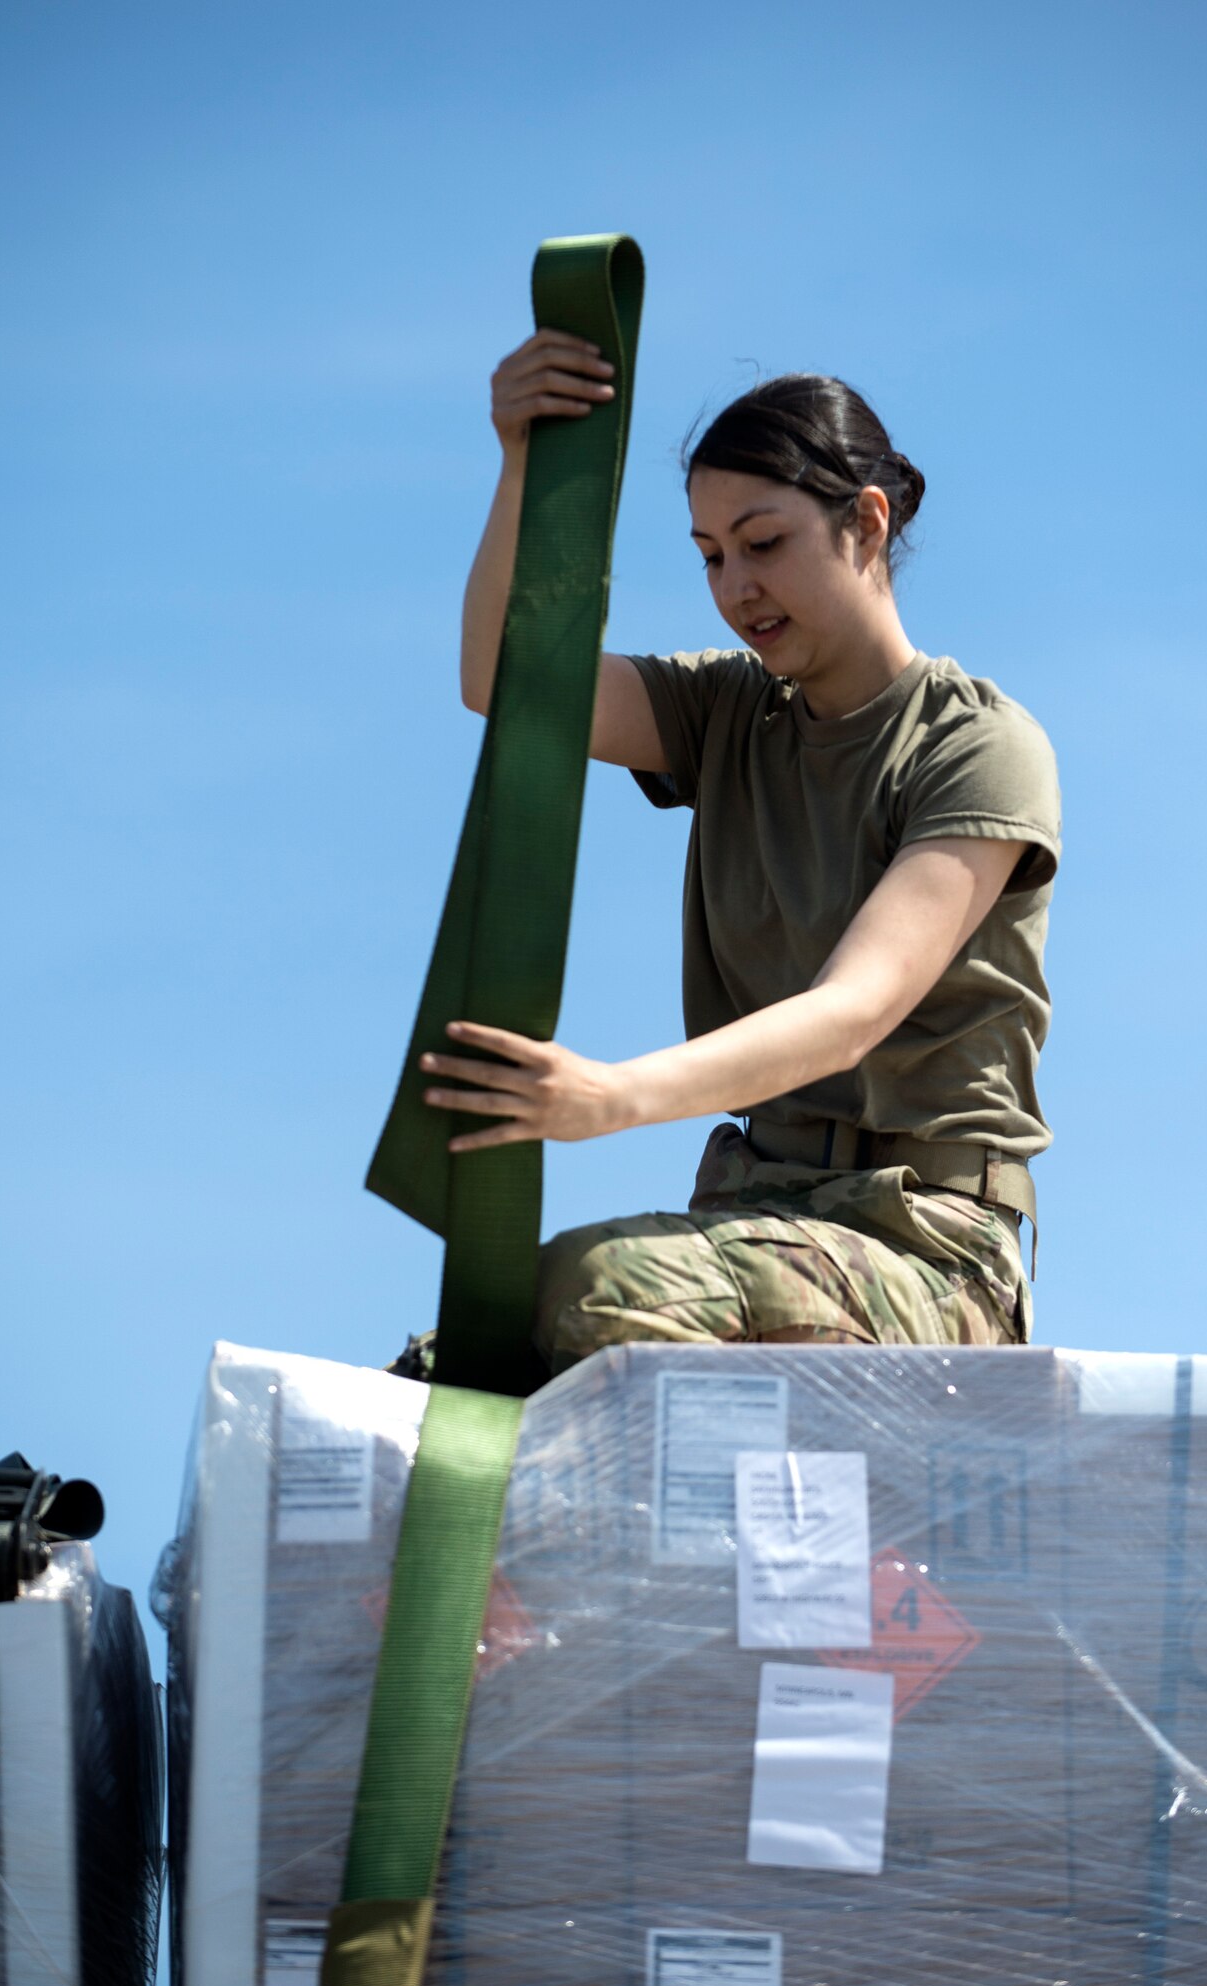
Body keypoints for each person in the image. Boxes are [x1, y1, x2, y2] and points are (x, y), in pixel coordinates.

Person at [413, 328, 1061, 1376]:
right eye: (711, 555)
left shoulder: (979, 746)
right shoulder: (726, 709)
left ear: (867, 522)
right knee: (468, 1340)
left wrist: (612, 1096)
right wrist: (522, 458)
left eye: (764, 543)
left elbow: (853, 1010)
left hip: (929, 1250)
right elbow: (504, 679)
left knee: (599, 1289)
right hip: (759, 1216)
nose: (737, 587)